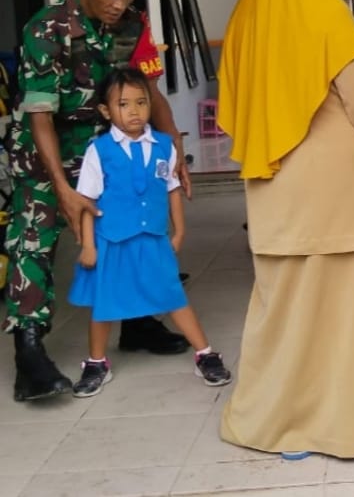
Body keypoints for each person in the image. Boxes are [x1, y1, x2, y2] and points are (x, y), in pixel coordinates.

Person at [218, 0, 354, 459]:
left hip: (273, 185)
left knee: (285, 309)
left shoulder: (244, 17)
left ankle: (278, 422)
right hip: (337, 186)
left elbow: (234, 104)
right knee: (345, 311)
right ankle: (343, 427)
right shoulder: (322, 7)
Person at [4, 0, 192, 402]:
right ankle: (28, 355)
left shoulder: (129, 26)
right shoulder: (46, 29)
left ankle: (137, 323)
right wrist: (65, 190)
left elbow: (146, 90)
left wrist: (175, 152)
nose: (119, 5)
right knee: (34, 242)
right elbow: (40, 116)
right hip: (44, 153)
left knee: (125, 232)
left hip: (107, 152)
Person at [67, 69, 231, 397]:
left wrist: (179, 230)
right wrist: (88, 245)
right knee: (105, 303)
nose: (134, 111)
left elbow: (172, 189)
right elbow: (87, 201)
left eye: (141, 102)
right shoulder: (99, 150)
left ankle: (205, 353)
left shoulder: (164, 145)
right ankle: (97, 362)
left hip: (153, 238)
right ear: (106, 111)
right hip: (111, 240)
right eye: (124, 104)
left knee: (172, 294)